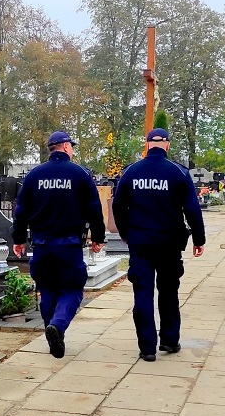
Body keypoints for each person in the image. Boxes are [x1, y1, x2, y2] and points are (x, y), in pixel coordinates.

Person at [112, 127, 206, 361]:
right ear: (167, 144)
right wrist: (199, 238)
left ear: (147, 144)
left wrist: (126, 234)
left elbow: (118, 207)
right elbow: (192, 209)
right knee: (168, 291)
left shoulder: (131, 173)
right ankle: (170, 340)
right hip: (169, 243)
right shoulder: (178, 173)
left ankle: (147, 348)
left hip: (140, 242)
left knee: (142, 293)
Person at [12, 131, 106, 358]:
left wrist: (18, 239)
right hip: (69, 246)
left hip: (42, 245)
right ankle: (58, 325)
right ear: (64, 147)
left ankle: (53, 333)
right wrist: (99, 238)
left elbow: (21, 211)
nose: (72, 150)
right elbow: (94, 209)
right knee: (72, 289)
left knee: (47, 290)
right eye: (71, 146)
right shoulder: (80, 174)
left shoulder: (35, 176)